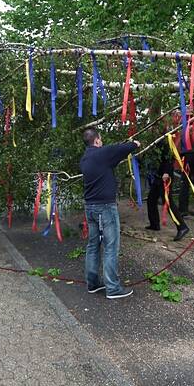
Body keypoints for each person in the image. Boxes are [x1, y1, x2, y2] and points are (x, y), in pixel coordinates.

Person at [80, 128, 140, 299]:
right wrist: (134, 143)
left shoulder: (85, 158)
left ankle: (93, 283)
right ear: (97, 140)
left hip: (90, 207)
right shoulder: (101, 154)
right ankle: (112, 288)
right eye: (101, 139)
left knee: (93, 245)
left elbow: (112, 157)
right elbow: (121, 149)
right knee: (110, 247)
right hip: (104, 208)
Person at [145, 141, 190, 241]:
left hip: (165, 177)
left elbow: (170, 158)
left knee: (168, 203)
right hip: (158, 177)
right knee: (151, 200)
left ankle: (182, 227)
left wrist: (166, 172)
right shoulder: (152, 142)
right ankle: (154, 224)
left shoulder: (163, 142)